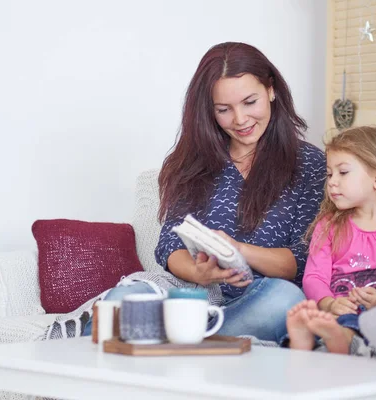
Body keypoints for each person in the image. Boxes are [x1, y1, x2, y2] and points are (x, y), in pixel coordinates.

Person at [82, 42, 327, 343]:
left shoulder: (310, 164)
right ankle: (186, 341)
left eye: (250, 102)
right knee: (120, 302)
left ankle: (175, 344)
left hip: (259, 299)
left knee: (285, 299)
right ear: (208, 111)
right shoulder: (192, 161)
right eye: (224, 110)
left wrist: (239, 250)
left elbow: (300, 262)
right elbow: (170, 244)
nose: (240, 119)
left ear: (271, 90)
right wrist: (199, 273)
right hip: (190, 297)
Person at [286, 125, 376, 352]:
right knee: (324, 322)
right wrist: (329, 303)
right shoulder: (328, 226)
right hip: (336, 316)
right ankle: (321, 340)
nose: (332, 182)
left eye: (343, 172)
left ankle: (332, 342)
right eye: (329, 174)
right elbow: (314, 277)